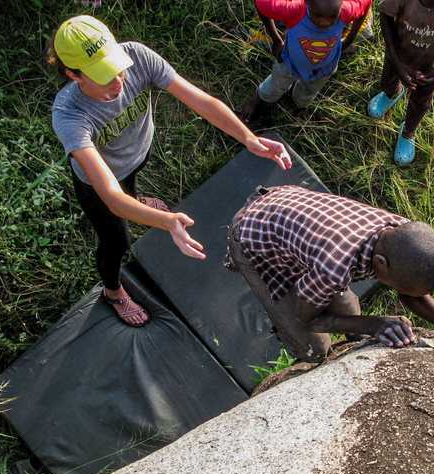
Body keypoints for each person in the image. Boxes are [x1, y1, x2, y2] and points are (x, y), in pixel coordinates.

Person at [49, 15, 292, 327]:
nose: (118, 79)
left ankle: (137, 197)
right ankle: (113, 291)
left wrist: (248, 138)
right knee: (116, 240)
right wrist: (167, 222)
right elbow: (110, 195)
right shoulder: (69, 114)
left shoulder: (136, 56)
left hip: (137, 154)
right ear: (74, 75)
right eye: (103, 75)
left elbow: (201, 101)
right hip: (99, 182)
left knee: (131, 188)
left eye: (116, 66)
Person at [225, 185, 434, 364]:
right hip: (254, 233)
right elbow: (309, 320)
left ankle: (312, 289)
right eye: (399, 285)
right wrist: (375, 324)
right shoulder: (334, 267)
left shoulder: (400, 232)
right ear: (380, 263)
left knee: (351, 315)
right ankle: (286, 332)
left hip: (293, 216)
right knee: (315, 348)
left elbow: (413, 296)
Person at [367, 0, 434, 165]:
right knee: (387, 81)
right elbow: (385, 15)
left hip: (431, 67)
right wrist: (397, 63)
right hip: (397, 55)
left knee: (421, 101)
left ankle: (408, 132)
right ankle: (392, 93)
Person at [239, 0, 372, 125]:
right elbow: (261, 5)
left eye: (333, 16)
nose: (325, 23)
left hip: (324, 69)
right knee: (276, 83)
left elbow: (366, 5)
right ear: (307, 1)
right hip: (289, 63)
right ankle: (261, 99)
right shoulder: (294, 10)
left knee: (308, 92)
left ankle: (300, 105)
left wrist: (349, 39)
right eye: (318, 15)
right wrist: (276, 39)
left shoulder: (346, 10)